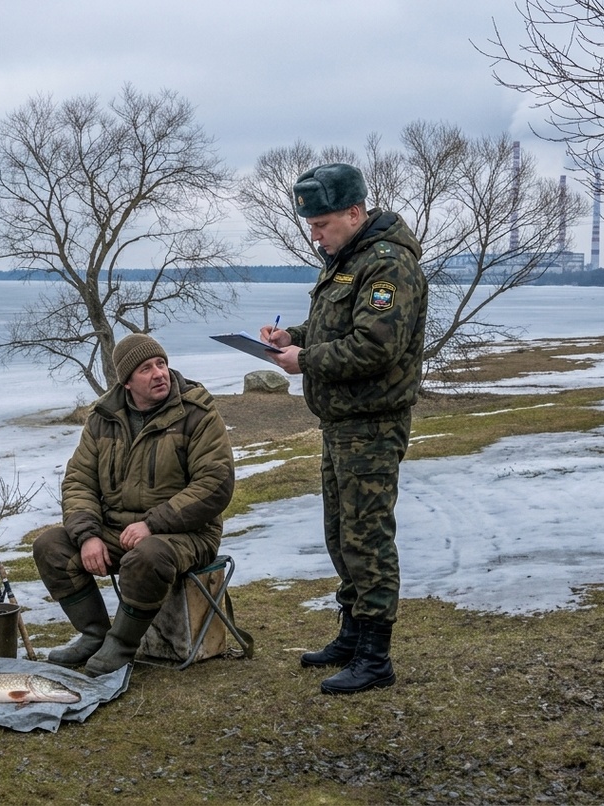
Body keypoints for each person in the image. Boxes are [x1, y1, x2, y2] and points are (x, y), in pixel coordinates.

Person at [259, 162, 427, 695]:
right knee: (340, 534)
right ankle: (352, 636)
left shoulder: (388, 266)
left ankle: (375, 657)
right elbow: (338, 325)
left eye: (322, 224)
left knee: (368, 538)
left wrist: (305, 359)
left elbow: (376, 346)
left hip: (372, 423)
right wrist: (293, 336)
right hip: (341, 423)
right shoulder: (347, 260)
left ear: (356, 213)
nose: (315, 234)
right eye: (311, 225)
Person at [32, 333, 235, 676]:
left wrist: (153, 524)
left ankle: (121, 645)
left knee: (148, 554)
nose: (159, 373)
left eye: (162, 364)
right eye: (146, 368)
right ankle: (94, 635)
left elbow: (215, 484)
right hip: (118, 531)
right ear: (127, 382)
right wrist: (87, 536)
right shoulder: (103, 418)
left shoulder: (197, 413)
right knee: (50, 546)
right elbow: (79, 480)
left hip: (187, 532)